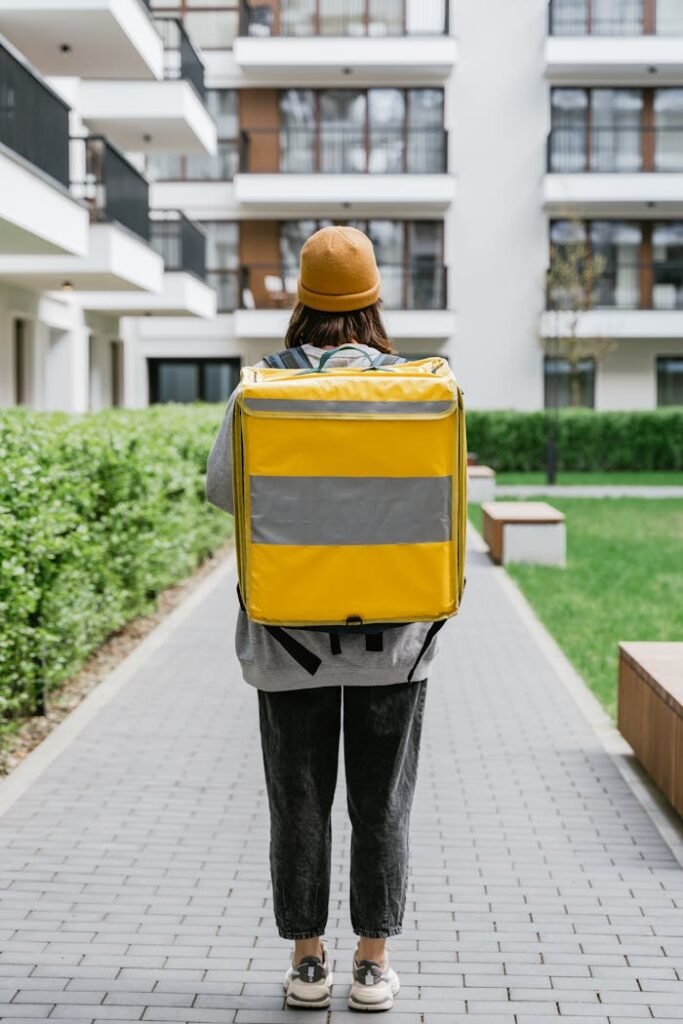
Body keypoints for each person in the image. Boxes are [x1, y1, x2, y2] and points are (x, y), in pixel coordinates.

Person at [205, 225, 443, 1012]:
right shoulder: (416, 388)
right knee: (382, 805)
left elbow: (221, 490)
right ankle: (372, 964)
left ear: (301, 301)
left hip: (286, 640)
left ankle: (309, 963)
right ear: (372, 300)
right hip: (394, 644)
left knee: (298, 802)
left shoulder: (260, 389)